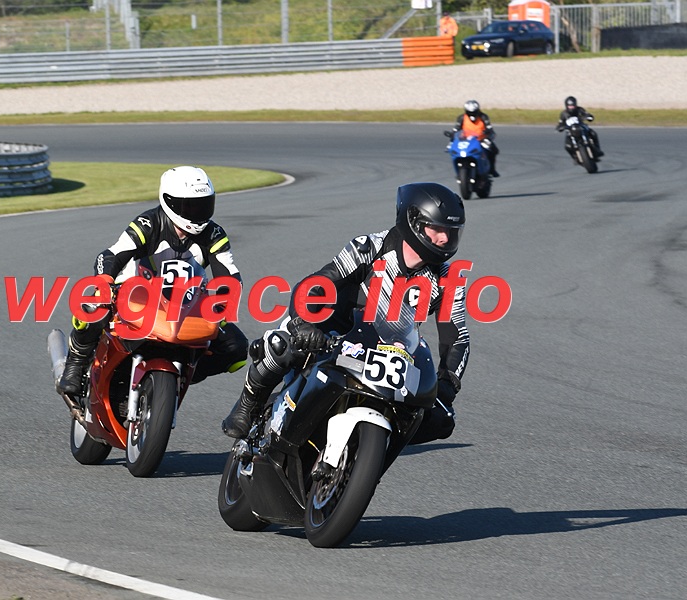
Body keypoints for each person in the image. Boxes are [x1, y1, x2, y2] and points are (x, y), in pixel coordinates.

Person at [222, 182, 470, 444]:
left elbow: (457, 337)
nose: (445, 238)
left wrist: (447, 384)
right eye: (437, 229)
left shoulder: (448, 279)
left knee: (441, 419)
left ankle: (373, 449)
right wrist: (303, 324)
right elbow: (314, 286)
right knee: (282, 345)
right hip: (331, 336)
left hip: (389, 353)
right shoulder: (369, 248)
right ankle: (249, 402)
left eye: (451, 231)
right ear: (413, 222)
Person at [56, 165, 249, 396]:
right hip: (137, 296)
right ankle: (75, 364)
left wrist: (222, 303)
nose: (198, 213)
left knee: (237, 349)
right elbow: (112, 254)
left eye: (203, 205)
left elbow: (229, 275)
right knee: (92, 305)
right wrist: (106, 281)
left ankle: (181, 375)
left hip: (187, 305)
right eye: (189, 206)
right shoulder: (149, 222)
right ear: (168, 202)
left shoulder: (214, 234)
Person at [451, 99, 500, 177]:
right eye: (470, 113)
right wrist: (452, 135)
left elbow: (490, 129)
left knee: (493, 150)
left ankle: (492, 169)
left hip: (480, 139)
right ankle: (459, 170)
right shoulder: (462, 118)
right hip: (465, 140)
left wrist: (488, 135)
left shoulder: (483, 117)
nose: (472, 115)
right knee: (452, 149)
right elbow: (456, 129)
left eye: (474, 112)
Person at [557, 95, 604, 160]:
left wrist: (589, 117)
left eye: (572, 106)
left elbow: (586, 114)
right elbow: (560, 123)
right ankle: (575, 157)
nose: (571, 107)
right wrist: (560, 127)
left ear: (575, 105)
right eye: (570, 106)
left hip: (581, 127)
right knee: (567, 146)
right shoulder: (563, 113)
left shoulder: (580, 110)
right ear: (566, 106)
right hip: (570, 131)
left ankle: (597, 149)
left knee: (593, 133)